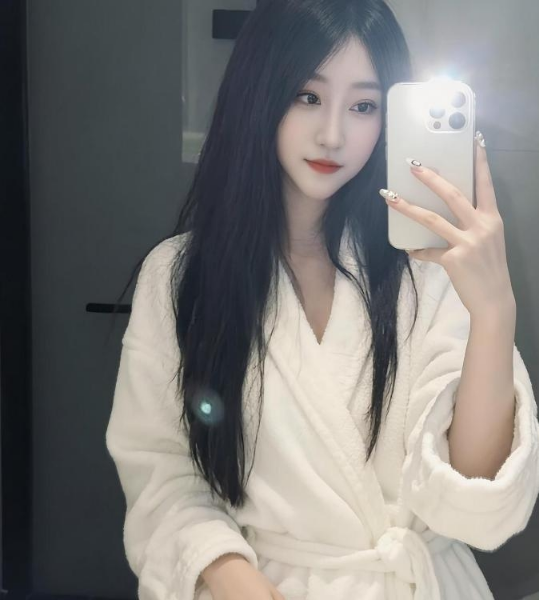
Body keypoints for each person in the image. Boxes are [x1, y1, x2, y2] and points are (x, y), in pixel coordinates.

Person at [105, 0, 539, 598]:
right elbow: (162, 470)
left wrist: (494, 312)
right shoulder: (180, 276)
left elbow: (476, 495)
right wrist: (230, 575)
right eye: (308, 96)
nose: (333, 134)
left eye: (363, 106)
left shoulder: (431, 269)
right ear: (260, 92)